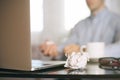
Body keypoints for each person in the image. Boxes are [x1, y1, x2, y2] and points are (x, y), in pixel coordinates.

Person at [39, 0, 120, 60]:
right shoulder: (79, 25)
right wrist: (54, 49)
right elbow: (68, 45)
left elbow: (118, 48)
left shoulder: (117, 21)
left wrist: (84, 51)